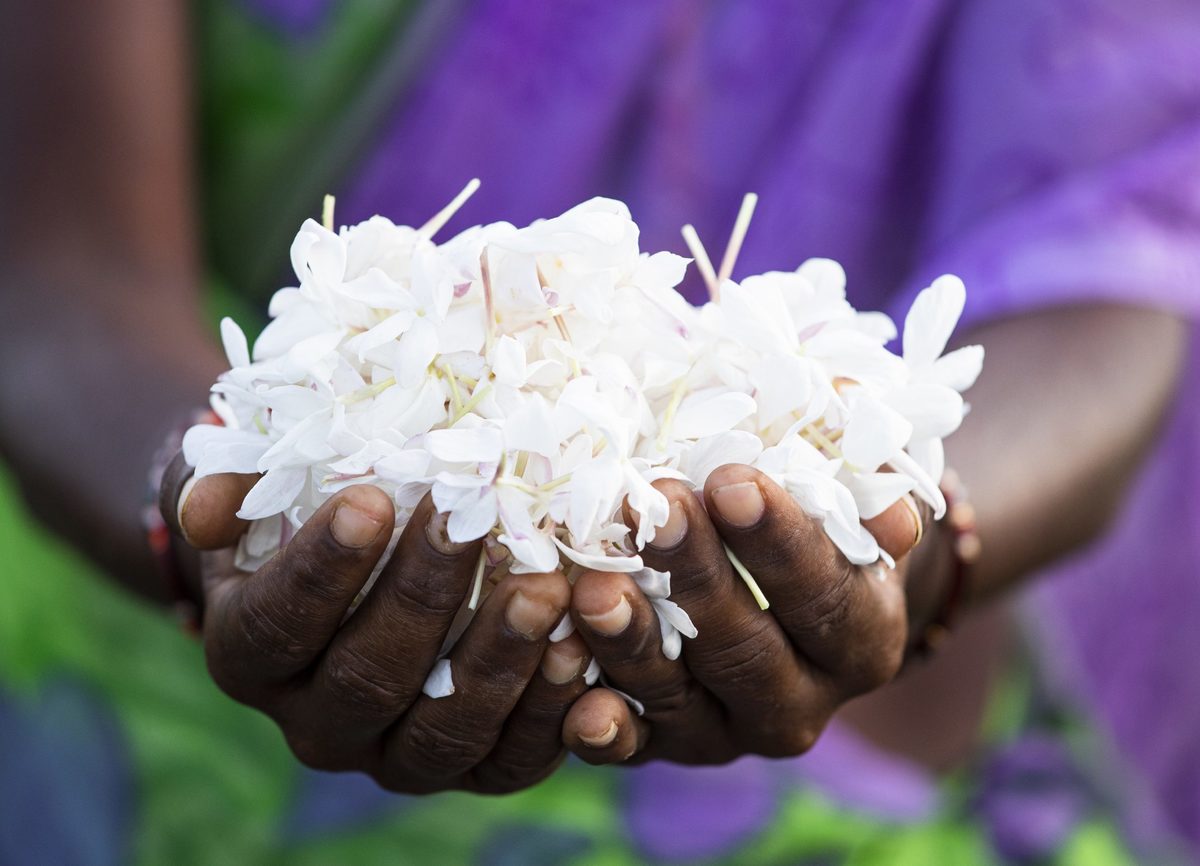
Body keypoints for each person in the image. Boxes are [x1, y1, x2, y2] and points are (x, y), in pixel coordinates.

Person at [1, 1, 1197, 863]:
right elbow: (61, 270)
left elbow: (1118, 264)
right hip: (154, 740)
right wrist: (211, 509)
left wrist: (912, 522)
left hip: (843, 789)